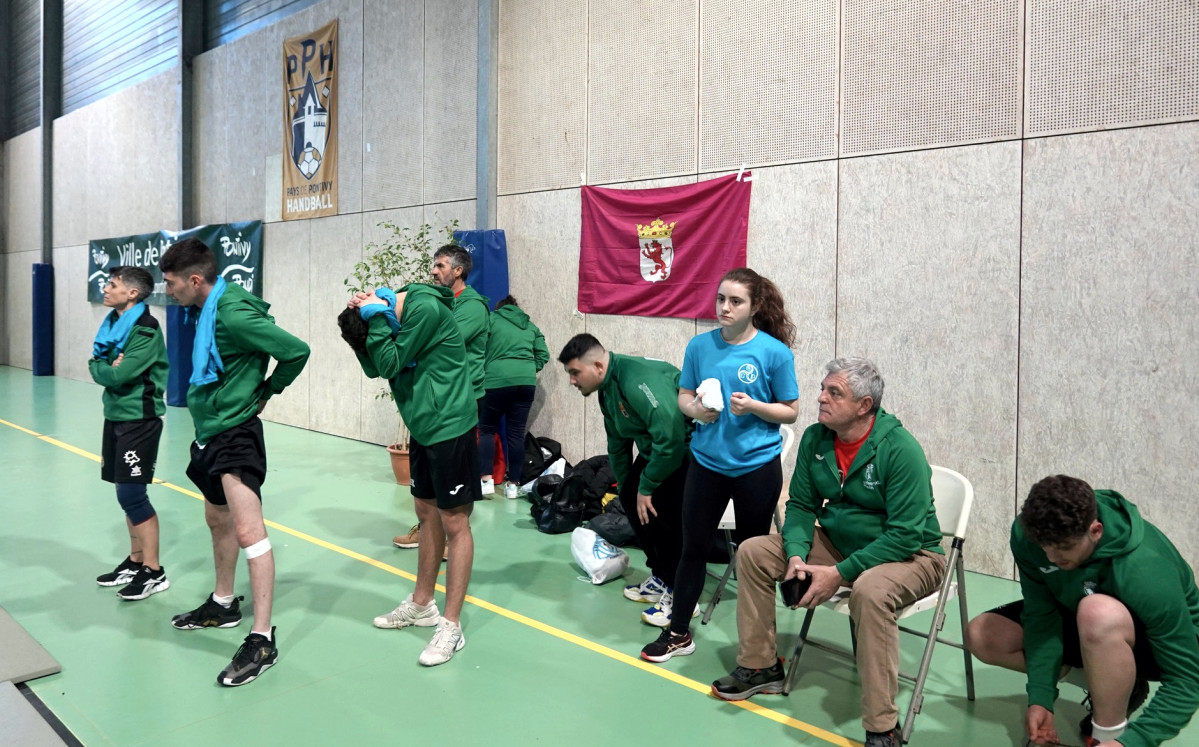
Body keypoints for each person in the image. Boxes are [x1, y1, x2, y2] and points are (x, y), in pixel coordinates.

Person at [709, 357, 945, 747]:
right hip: (838, 544)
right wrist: (797, 556)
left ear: (864, 406)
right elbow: (801, 505)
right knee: (752, 551)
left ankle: (883, 728)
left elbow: (904, 535)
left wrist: (840, 573)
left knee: (870, 591)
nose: (820, 398)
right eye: (822, 388)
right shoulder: (817, 438)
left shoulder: (901, 450)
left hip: (913, 555)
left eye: (834, 393)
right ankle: (761, 667)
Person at [160, 237, 310, 687]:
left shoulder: (232, 313)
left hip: (235, 431)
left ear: (195, 280)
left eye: (170, 283)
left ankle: (262, 638)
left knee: (249, 530)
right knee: (216, 518)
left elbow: (295, 350)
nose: (167, 291)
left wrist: (266, 391)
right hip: (209, 429)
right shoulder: (205, 308)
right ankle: (224, 602)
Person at [965, 475, 1199, 747]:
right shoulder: (1030, 536)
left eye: (1064, 549)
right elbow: (1041, 615)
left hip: (1158, 646)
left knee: (1096, 611)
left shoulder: (1144, 567)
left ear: (1096, 530)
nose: (1052, 559)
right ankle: (1120, 686)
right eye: (1045, 549)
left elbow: (1186, 679)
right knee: (984, 634)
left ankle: (1108, 736)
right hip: (1086, 620)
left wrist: (1133, 742)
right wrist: (1041, 696)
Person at [640, 267, 799, 661]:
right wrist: (696, 409)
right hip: (707, 464)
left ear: (755, 306)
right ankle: (678, 633)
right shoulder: (700, 346)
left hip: (756, 469)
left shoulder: (774, 353)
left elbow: (791, 411)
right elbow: (683, 396)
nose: (724, 308)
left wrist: (755, 407)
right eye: (720, 299)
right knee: (691, 547)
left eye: (735, 301)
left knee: (750, 557)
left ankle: (758, 650)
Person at [340, 280, 479, 667]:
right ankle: (422, 604)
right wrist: (362, 330)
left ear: (384, 312)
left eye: (379, 323)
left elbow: (388, 363)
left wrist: (377, 320)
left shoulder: (425, 310)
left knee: (456, 522)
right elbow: (374, 368)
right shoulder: (390, 316)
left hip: (451, 424)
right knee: (425, 512)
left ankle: (451, 626)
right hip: (423, 426)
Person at [559, 333, 691, 624]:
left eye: (574, 372)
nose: (572, 380)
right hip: (659, 451)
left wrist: (647, 487)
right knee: (631, 501)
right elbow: (617, 444)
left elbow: (670, 437)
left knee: (660, 512)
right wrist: (630, 489)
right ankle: (661, 576)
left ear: (597, 365)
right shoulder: (607, 390)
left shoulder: (635, 379)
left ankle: (682, 595)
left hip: (686, 451)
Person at [394, 243, 489, 549]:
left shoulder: (472, 306)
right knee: (430, 483)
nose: (433, 271)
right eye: (434, 266)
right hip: (435, 400)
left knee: (455, 484)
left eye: (441, 266)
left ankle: (454, 535)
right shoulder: (440, 303)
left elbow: (442, 341)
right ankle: (430, 530)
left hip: (460, 400)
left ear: (458, 271)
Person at [89, 266, 171, 601]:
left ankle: (154, 571)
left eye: (112, 285)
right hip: (116, 416)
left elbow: (117, 376)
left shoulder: (146, 328)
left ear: (132, 293)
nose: (105, 289)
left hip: (140, 419)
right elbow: (101, 365)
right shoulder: (112, 324)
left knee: (132, 496)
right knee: (123, 490)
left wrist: (105, 367)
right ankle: (136, 561)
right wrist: (106, 365)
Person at [479, 295, 548, 499]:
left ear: (499, 308)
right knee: (516, 434)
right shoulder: (531, 326)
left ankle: (486, 481)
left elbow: (476, 344)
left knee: (486, 430)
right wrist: (527, 369)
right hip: (526, 383)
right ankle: (512, 485)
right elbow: (543, 354)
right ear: (517, 308)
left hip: (496, 381)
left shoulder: (491, 319)